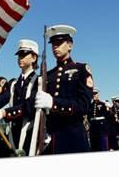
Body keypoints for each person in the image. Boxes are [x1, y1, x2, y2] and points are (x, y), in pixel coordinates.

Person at [34, 24, 93, 154]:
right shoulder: (48, 75)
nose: (55, 46)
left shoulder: (81, 69)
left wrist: (53, 103)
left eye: (59, 42)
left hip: (74, 138)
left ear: (70, 45)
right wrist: (3, 112)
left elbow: (84, 105)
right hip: (51, 137)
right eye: (53, 43)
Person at [0, 39, 40, 155]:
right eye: (19, 55)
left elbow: (29, 107)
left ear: (34, 58)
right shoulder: (14, 83)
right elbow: (4, 97)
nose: (20, 58)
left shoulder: (39, 82)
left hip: (31, 137)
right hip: (12, 137)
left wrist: (3, 113)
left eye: (24, 54)